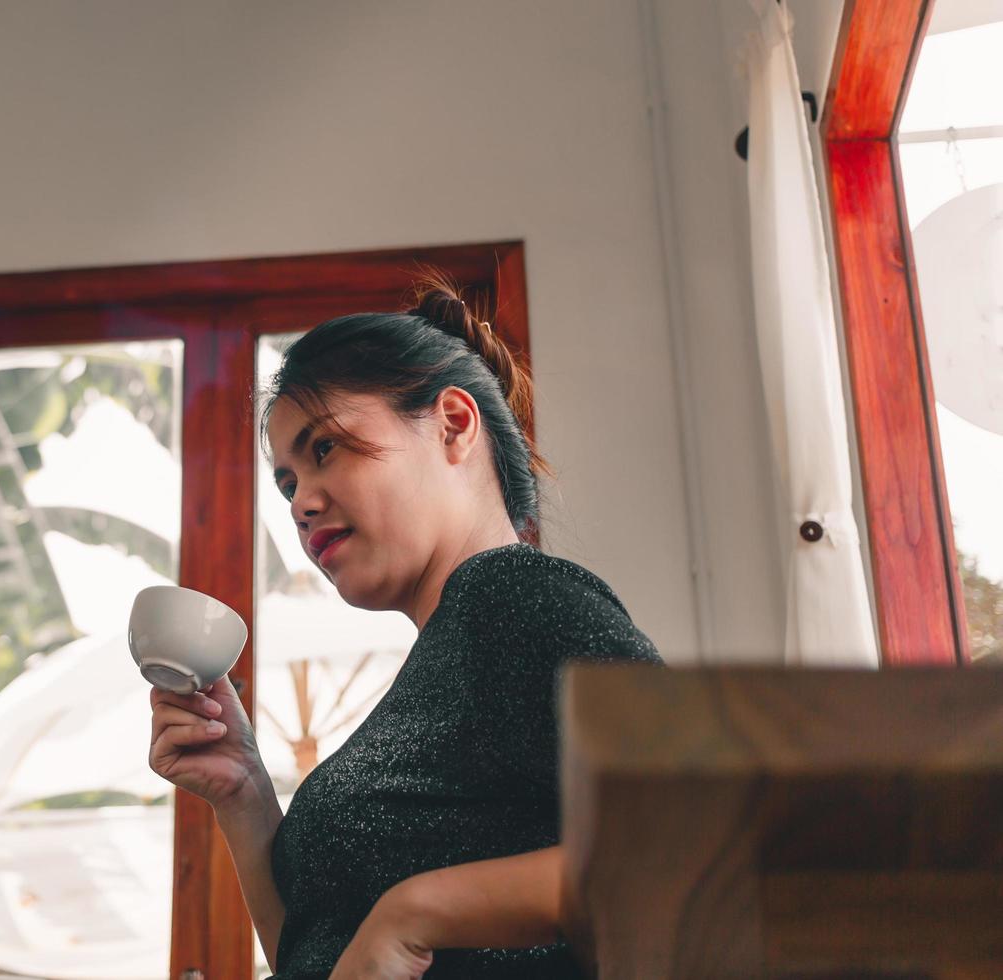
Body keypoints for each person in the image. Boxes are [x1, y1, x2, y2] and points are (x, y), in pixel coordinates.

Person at [146, 279, 665, 979]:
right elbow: (316, 954)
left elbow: (695, 847)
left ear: (453, 424)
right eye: (287, 483)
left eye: (324, 450)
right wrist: (241, 790)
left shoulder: (514, 596)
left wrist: (415, 913)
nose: (300, 503)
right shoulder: (441, 663)